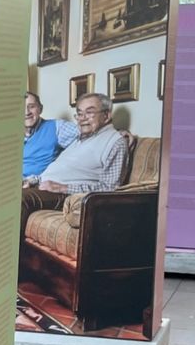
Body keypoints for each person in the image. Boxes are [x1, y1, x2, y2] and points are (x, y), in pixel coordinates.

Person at [20, 92, 128, 242]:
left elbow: (110, 189)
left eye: (89, 113)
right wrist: (32, 180)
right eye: (79, 114)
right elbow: (56, 170)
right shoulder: (81, 138)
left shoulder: (115, 142)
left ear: (106, 115)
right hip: (45, 186)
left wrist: (65, 188)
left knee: (18, 199)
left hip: (66, 196)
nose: (82, 118)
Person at [22, 91, 78, 186]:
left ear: (40, 109)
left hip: (37, 186)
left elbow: (88, 136)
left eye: (31, 106)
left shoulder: (57, 128)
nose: (27, 112)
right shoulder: (7, 134)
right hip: (11, 186)